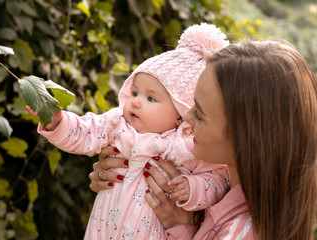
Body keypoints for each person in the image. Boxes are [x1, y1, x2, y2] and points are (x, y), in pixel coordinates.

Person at [90, 40, 317, 239]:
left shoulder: (237, 232)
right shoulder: (220, 194)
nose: (185, 117)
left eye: (200, 113)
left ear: (243, 139)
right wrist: (124, 187)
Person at [28, 23, 230, 239]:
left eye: (150, 98)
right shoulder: (117, 124)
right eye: (134, 92)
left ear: (181, 113)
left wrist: (193, 188)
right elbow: (85, 131)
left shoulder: (186, 147)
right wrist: (58, 122)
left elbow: (217, 178)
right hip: (102, 229)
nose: (135, 102)